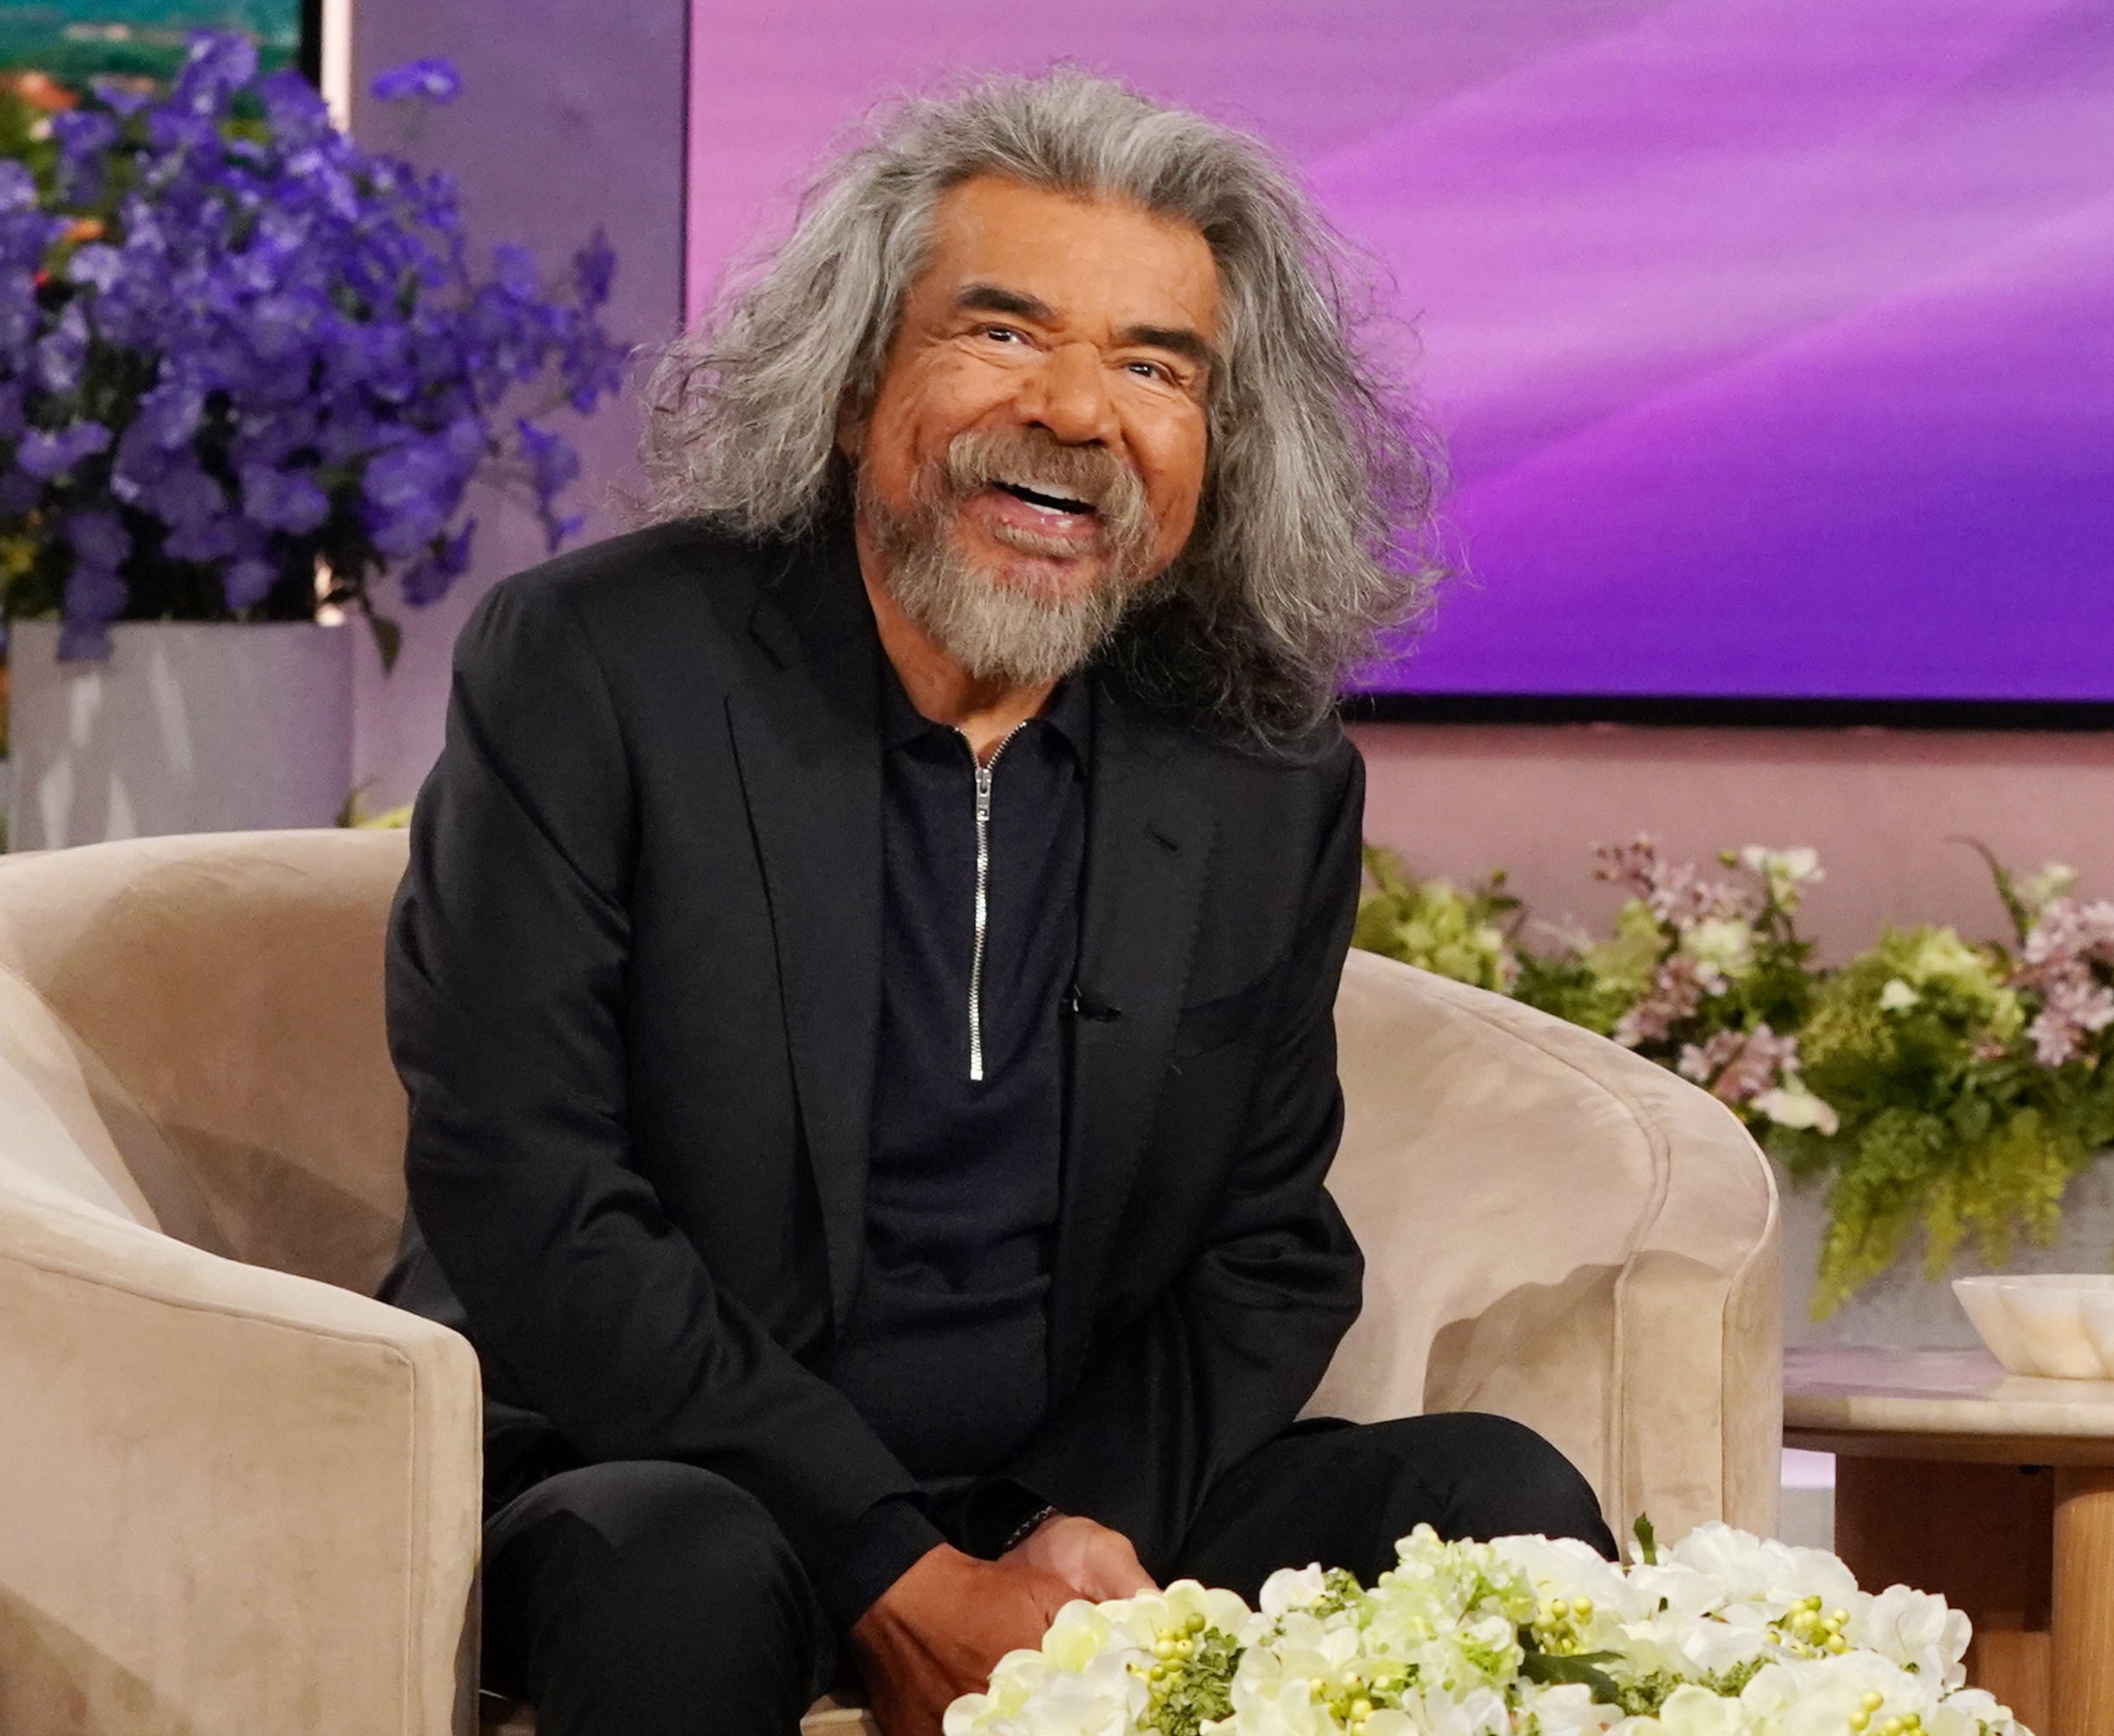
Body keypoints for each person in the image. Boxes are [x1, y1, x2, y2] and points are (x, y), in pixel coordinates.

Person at [378, 69, 1614, 1736]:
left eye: (1156, 366)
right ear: (849, 382)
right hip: (663, 1465)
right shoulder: (599, 666)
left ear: (1217, 452)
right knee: (672, 1572)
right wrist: (893, 1567)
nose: (1080, 412)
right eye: (1005, 334)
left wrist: (1061, 1539)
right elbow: (521, 1180)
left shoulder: (1260, 766)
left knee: (1497, 1507)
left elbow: (1268, 1252)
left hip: (1062, 1494)